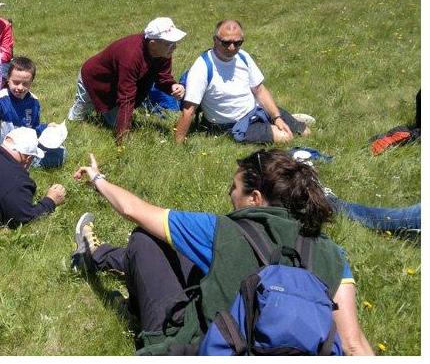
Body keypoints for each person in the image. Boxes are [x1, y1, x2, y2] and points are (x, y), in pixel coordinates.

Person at [69, 149, 373, 356]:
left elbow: (132, 209)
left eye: (234, 187)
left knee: (145, 241)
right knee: (197, 260)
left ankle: (106, 270)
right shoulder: (333, 253)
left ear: (254, 198)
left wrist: (98, 178)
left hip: (211, 347)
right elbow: (353, 343)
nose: (229, 194)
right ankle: (108, 264)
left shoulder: (222, 230)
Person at [175, 19, 311, 144]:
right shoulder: (202, 67)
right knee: (286, 137)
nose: (232, 47)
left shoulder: (242, 56)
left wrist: (277, 118)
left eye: (238, 43)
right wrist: (178, 144)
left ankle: (281, 120)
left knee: (306, 133)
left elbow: (259, 90)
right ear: (215, 40)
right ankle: (277, 124)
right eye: (226, 42)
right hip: (234, 125)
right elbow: (189, 110)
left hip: (256, 111)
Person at [68, 17, 186, 144]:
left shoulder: (163, 52)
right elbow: (126, 97)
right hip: (94, 79)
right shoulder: (131, 56)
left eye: (175, 42)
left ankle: (105, 111)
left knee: (114, 122)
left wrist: (172, 86)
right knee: (79, 114)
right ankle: (70, 124)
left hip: (116, 83)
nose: (174, 47)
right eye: (169, 43)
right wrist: (122, 137)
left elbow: (163, 77)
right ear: (153, 44)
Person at [0, 56, 65, 168]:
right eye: (16, 82)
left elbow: (32, 130)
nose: (20, 87)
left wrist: (46, 127)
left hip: (21, 151)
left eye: (25, 83)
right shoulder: (0, 98)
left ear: (31, 82)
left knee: (61, 152)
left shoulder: (34, 101)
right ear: (8, 79)